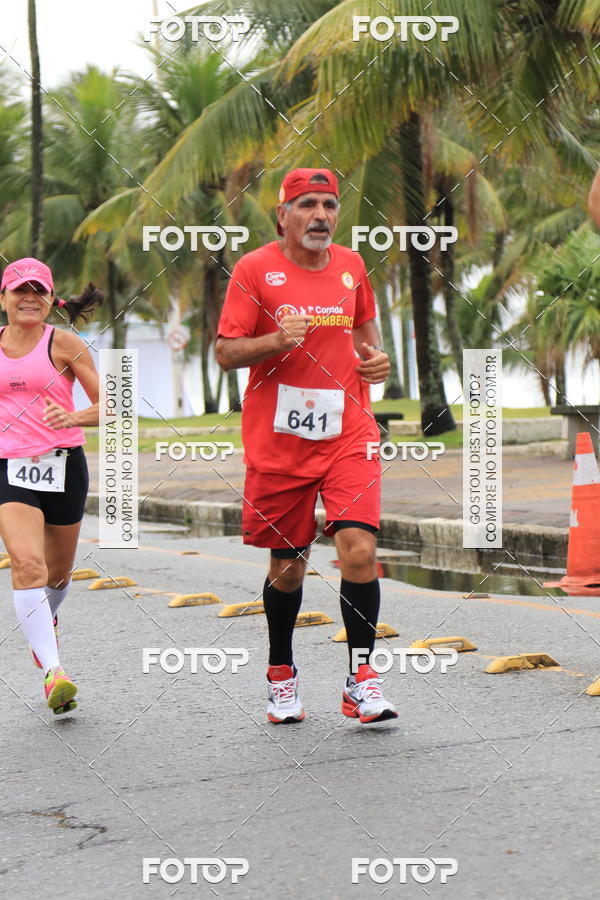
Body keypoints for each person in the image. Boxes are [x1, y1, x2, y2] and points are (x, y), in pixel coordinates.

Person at [216, 168, 398, 725]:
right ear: (283, 215)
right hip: (280, 441)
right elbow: (225, 352)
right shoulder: (254, 270)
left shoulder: (351, 266)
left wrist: (378, 361)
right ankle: (281, 673)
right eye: (307, 205)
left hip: (349, 433)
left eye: (329, 205)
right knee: (288, 568)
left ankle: (361, 680)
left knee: (359, 552)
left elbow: (365, 334)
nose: (320, 215)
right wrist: (276, 340)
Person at [0, 257, 102, 714]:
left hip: (64, 466)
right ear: (3, 298)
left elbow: (112, 405)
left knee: (57, 577)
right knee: (27, 565)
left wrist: (74, 416)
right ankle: (54, 673)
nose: (29, 298)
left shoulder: (64, 343)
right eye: (20, 290)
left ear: (50, 299)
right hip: (9, 467)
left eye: (38, 291)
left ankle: (46, 623)